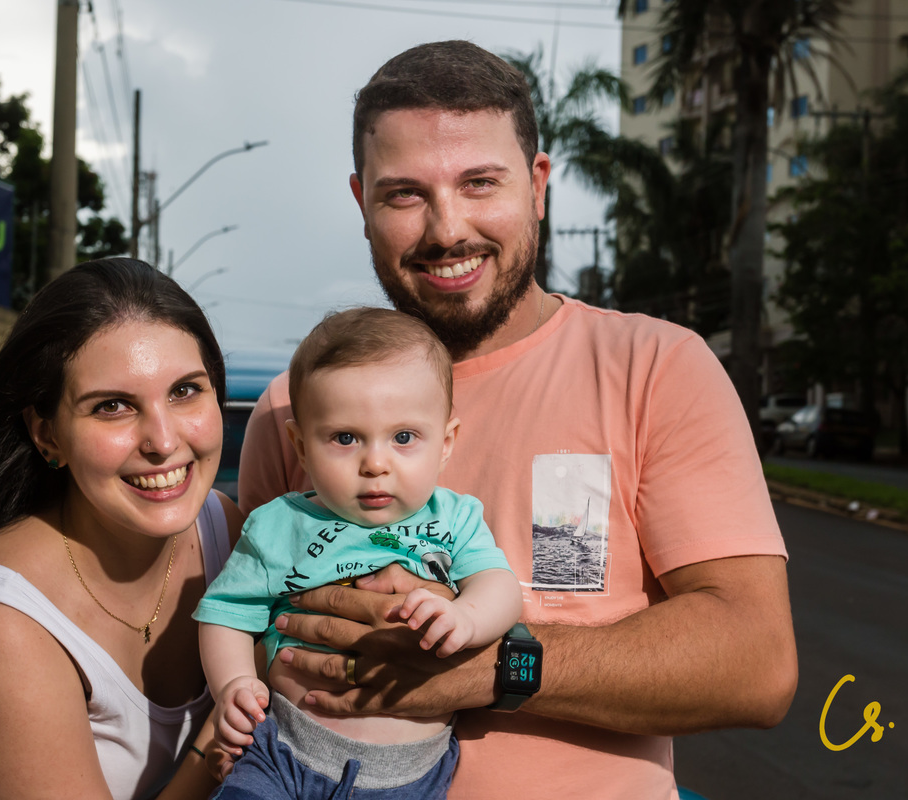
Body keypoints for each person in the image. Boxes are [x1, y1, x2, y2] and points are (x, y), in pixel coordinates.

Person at [237, 41, 799, 799]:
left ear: (537, 185)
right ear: (360, 200)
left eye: (479, 183)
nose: (447, 228)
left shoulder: (652, 367)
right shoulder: (290, 410)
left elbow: (756, 663)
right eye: (404, 193)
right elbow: (245, 640)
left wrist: (497, 667)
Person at [0, 258, 239, 799]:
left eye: (184, 391)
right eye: (113, 406)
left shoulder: (229, 532)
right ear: (47, 434)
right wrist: (220, 740)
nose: (163, 441)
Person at [195, 308, 522, 799]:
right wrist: (234, 685)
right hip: (282, 750)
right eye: (345, 438)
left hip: (407, 774)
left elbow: (499, 584)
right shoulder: (278, 524)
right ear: (301, 448)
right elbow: (225, 614)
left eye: (404, 438)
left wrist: (466, 618)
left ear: (446, 442)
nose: (375, 463)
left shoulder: (454, 518)